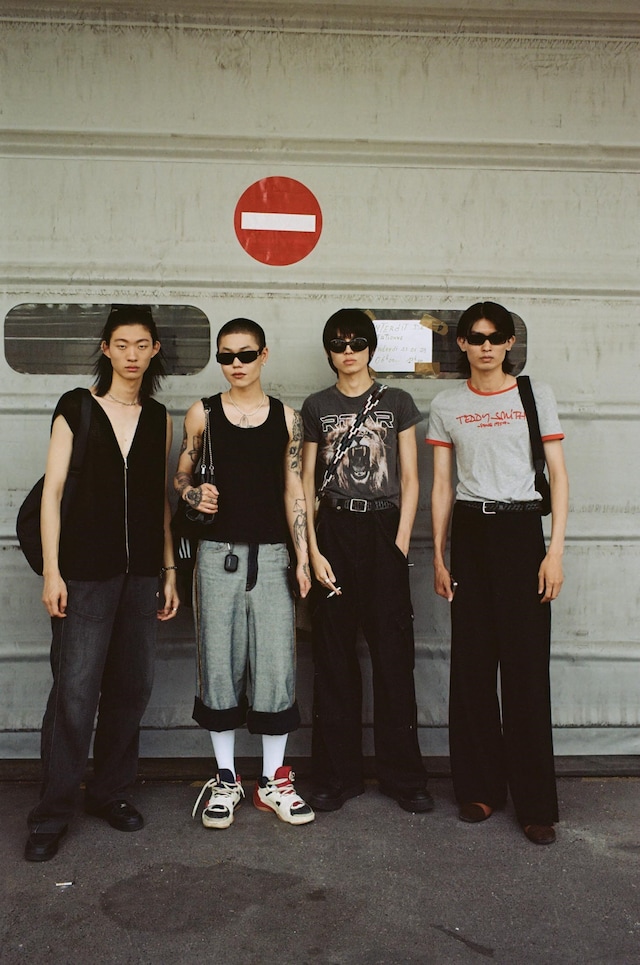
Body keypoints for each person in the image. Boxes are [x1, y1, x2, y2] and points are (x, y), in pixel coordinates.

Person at [25, 304, 179, 863]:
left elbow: (158, 502)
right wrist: (52, 571)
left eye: (142, 345)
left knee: (130, 690)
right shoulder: (78, 407)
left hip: (141, 577)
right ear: (106, 349)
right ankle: (51, 814)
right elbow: (52, 493)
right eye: (122, 344)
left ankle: (110, 792)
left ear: (154, 350)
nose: (132, 355)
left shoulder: (159, 417)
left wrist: (168, 570)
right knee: (74, 694)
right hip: (84, 576)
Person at [427, 300, 569, 845]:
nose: (485, 346)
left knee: (526, 671)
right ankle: (480, 788)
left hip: (520, 532)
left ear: (510, 343)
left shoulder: (534, 396)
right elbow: (443, 485)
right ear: (461, 343)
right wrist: (440, 555)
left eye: (495, 337)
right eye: (476, 337)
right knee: (473, 667)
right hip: (470, 534)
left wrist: (554, 552)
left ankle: (536, 804)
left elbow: (559, 475)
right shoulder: (447, 404)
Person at [175, 318, 314, 829]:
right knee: (219, 664)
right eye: (226, 356)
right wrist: (192, 492)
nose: (236, 364)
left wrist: (303, 555)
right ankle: (226, 778)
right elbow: (181, 474)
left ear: (264, 355)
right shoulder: (203, 413)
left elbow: (294, 488)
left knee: (277, 665)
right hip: (217, 555)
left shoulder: (288, 419)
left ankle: (274, 780)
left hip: (273, 554)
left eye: (246, 355)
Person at [301, 308, 432, 813]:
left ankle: (404, 778)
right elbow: (306, 484)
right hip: (333, 530)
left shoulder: (396, 401)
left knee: (394, 659)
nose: (348, 351)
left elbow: (411, 478)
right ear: (329, 352)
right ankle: (337, 777)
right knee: (333, 659)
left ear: (371, 347)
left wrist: (399, 544)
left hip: (383, 530)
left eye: (357, 342)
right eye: (338, 343)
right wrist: (313, 551)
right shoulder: (318, 406)